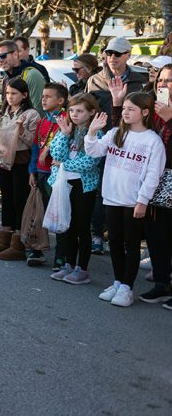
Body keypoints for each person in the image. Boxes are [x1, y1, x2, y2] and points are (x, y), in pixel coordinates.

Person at [86, 92, 165, 307]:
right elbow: (93, 151)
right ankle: (118, 282)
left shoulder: (152, 141)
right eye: (124, 108)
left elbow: (153, 174)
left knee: (131, 245)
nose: (126, 112)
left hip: (133, 202)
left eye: (132, 109)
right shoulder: (115, 133)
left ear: (145, 112)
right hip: (112, 197)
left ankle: (127, 287)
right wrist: (92, 132)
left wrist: (142, 201)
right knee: (115, 243)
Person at [0, 79, 40, 261]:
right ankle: (5, 237)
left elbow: (33, 141)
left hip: (21, 160)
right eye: (7, 93)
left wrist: (21, 129)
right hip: (3, 158)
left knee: (19, 199)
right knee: (6, 198)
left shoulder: (31, 114)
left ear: (24, 95)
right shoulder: (1, 112)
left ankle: (18, 242)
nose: (10, 97)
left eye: (14, 93)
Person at [48, 93, 102, 286]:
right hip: (64, 184)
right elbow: (55, 153)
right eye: (72, 110)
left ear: (91, 112)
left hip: (83, 186)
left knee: (81, 227)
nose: (74, 114)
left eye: (80, 111)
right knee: (68, 225)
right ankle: (69, 264)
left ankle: (83, 268)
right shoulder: (67, 129)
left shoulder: (96, 132)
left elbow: (90, 161)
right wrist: (63, 134)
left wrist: (63, 165)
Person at [140, 64, 172, 306]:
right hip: (155, 179)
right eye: (160, 79)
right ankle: (162, 283)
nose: (162, 84)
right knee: (155, 233)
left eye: (169, 80)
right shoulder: (153, 110)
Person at [28, 82, 68, 267]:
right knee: (39, 212)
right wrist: (32, 171)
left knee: (57, 213)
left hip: (57, 174)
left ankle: (62, 255)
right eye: (43, 96)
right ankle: (37, 249)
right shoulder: (43, 120)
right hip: (41, 172)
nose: (43, 99)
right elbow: (36, 147)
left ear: (61, 101)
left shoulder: (65, 119)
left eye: (48, 97)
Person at [86, 37, 148, 120]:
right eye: (109, 53)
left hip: (129, 131)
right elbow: (86, 110)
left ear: (128, 55)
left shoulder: (140, 81)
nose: (112, 57)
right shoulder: (94, 81)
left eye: (117, 53)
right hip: (101, 131)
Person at [0, 39, 46, 114]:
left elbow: (39, 110)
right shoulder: (4, 78)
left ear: (15, 54)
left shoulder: (32, 75)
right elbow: (2, 109)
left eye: (3, 56)